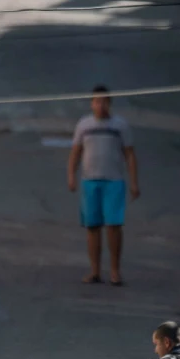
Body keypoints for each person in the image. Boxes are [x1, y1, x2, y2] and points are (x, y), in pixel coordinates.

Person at [68, 85, 140, 286]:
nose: (101, 105)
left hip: (114, 182)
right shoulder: (84, 125)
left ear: (110, 103)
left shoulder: (120, 126)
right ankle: (95, 271)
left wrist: (134, 182)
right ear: (92, 104)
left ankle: (115, 271)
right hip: (90, 181)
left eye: (105, 101)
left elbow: (129, 155)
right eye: (97, 101)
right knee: (92, 227)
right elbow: (76, 151)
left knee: (114, 227)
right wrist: (71, 176)